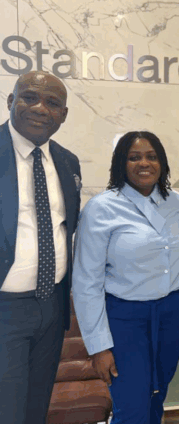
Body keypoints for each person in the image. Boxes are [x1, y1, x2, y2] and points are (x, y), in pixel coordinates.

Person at [72, 131, 179, 424]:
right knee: (131, 406)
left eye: (151, 156)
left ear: (162, 163)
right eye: (134, 157)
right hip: (125, 319)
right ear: (120, 164)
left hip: (172, 314)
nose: (144, 163)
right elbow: (86, 281)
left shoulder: (176, 202)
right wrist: (99, 346)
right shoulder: (101, 208)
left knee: (157, 396)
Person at [0, 71, 80, 424]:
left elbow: (67, 227)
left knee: (36, 408)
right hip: (5, 310)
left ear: (63, 114)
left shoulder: (67, 162)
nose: (40, 108)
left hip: (52, 307)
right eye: (29, 97)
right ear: (11, 101)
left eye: (52, 102)